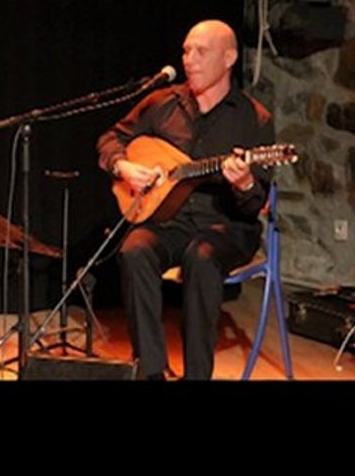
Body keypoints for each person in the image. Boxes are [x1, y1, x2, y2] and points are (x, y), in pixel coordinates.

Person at [97, 20, 274, 380]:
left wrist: (242, 184)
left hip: (226, 227)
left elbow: (255, 206)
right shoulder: (162, 103)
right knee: (134, 250)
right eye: (186, 50)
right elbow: (110, 139)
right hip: (170, 220)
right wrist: (124, 166)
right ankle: (151, 370)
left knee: (202, 257)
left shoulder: (253, 118)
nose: (189, 60)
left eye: (201, 52)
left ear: (229, 58)